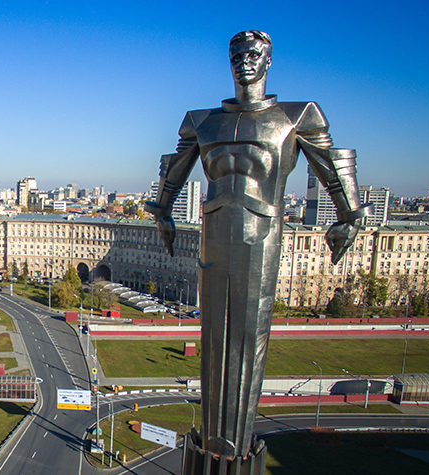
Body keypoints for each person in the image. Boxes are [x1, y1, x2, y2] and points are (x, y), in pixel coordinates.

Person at [149, 30, 369, 467]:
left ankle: (234, 449)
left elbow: (332, 167)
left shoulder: (296, 116)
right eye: (235, 54)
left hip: (261, 235)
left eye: (253, 54)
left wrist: (350, 217)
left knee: (250, 336)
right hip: (214, 232)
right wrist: (162, 212)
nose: (243, 61)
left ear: (268, 62)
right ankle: (213, 443)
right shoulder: (200, 120)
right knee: (212, 336)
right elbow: (173, 171)